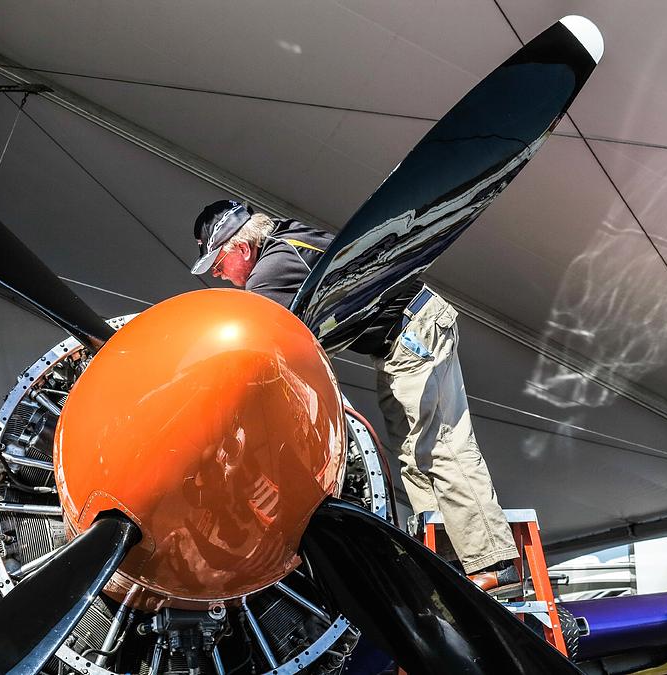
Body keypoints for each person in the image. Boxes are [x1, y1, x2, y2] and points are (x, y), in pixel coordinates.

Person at [190, 200, 520, 591]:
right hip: (402, 336)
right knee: (413, 454)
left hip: (413, 331)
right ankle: (450, 560)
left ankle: (496, 563)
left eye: (219, 265)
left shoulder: (270, 272)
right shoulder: (287, 236)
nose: (221, 276)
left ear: (242, 249)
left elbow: (255, 345)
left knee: (440, 445)